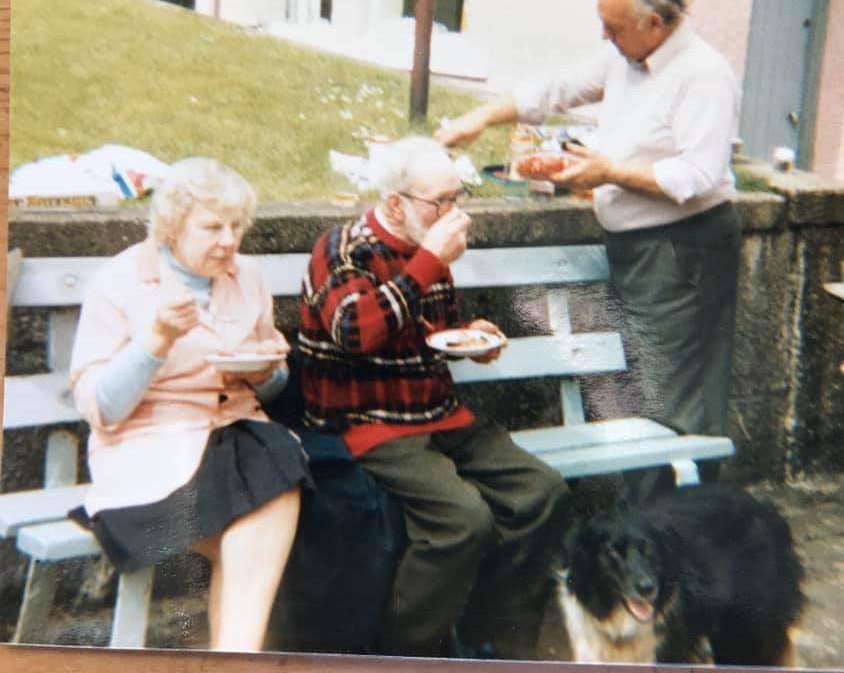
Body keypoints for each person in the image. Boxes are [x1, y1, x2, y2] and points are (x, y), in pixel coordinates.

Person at [436, 0, 742, 500]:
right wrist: (482, 117)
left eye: (614, 26)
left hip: (683, 249)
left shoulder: (704, 76)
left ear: (656, 23)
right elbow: (558, 88)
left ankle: (677, 519)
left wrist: (608, 172)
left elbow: (697, 176)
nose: (604, 36)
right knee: (640, 383)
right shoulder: (628, 55)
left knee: (670, 394)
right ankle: (654, 518)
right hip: (636, 246)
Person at [297, 136, 569, 658]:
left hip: (437, 414)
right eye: (438, 201)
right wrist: (427, 261)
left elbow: (426, 329)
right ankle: (403, 652)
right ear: (395, 203)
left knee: (543, 492)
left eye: (455, 198)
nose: (451, 213)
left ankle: (493, 638)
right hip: (365, 420)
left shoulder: (428, 246)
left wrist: (472, 337)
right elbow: (354, 332)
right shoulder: (342, 249)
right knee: (463, 520)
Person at [69, 158, 311, 652]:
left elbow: (271, 383)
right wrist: (157, 339)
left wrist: (265, 373)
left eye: (237, 226)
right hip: (151, 454)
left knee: (274, 467)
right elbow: (102, 409)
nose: (229, 240)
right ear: (172, 227)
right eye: (212, 227)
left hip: (236, 439)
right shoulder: (121, 282)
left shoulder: (247, 277)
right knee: (272, 494)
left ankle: (234, 656)